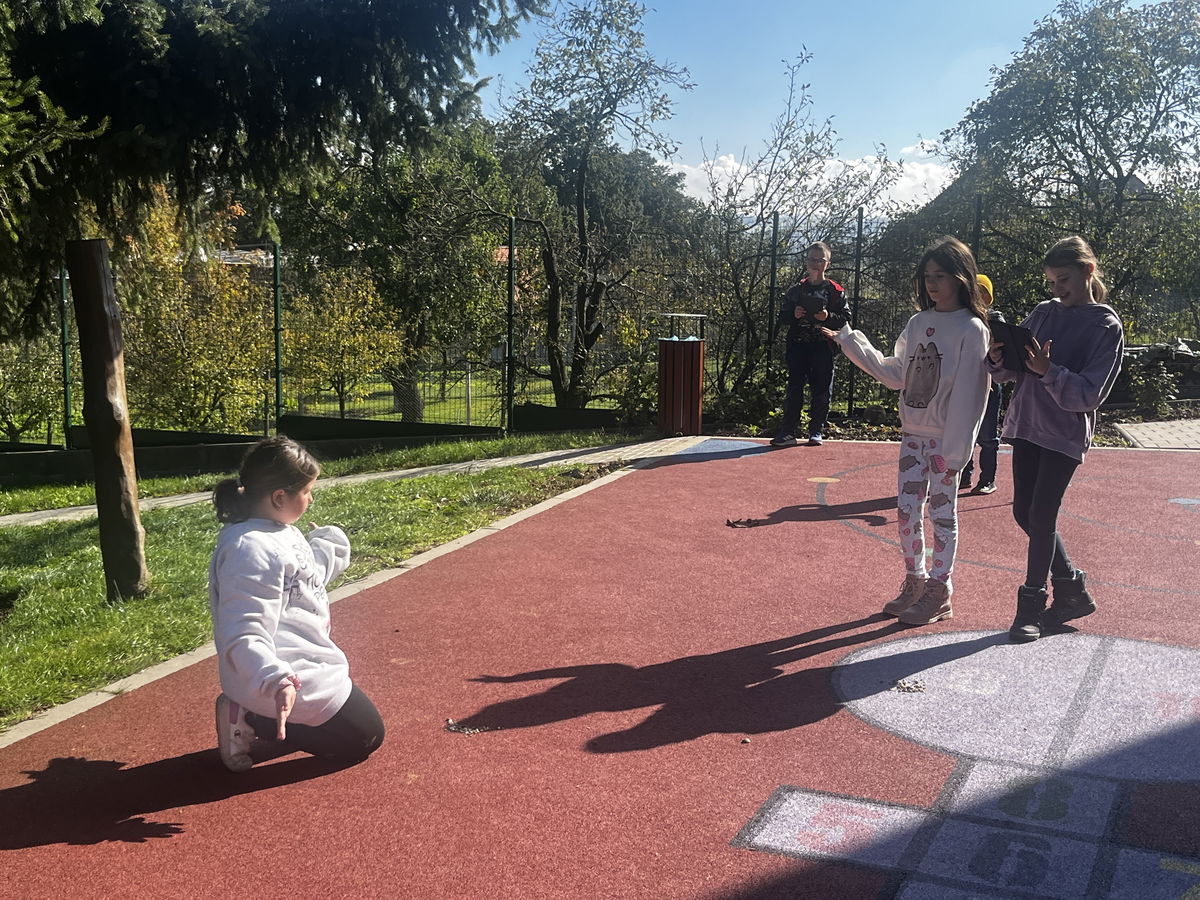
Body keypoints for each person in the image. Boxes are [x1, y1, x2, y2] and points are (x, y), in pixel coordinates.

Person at [820, 236, 991, 625]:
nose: (932, 284)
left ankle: (940, 590)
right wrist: (849, 339)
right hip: (913, 436)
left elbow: (971, 393)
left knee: (942, 515)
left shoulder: (971, 328)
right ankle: (915, 580)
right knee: (906, 512)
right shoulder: (918, 323)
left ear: (960, 277)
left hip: (945, 442)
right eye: (927, 276)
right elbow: (897, 373)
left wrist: (956, 452)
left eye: (940, 276)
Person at [208, 435, 385, 772]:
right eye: (306, 491)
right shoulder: (249, 549)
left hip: (309, 660)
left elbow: (302, 580)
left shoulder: (280, 530)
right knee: (364, 739)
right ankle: (250, 713)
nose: (311, 499)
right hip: (276, 674)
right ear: (279, 497)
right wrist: (275, 679)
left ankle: (264, 713)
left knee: (366, 730)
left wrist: (329, 545)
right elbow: (243, 630)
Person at [987, 236, 1124, 643]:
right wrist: (998, 358)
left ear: (1088, 271)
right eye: (1051, 281)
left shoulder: (1106, 325)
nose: (1057, 288)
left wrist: (1049, 371)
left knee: (1042, 515)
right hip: (1027, 424)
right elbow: (1013, 369)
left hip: (1063, 434)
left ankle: (1032, 605)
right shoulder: (1044, 311)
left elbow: (1089, 394)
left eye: (1063, 279)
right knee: (1024, 512)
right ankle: (1071, 588)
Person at [771, 242, 850, 447]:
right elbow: (782, 317)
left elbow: (845, 318)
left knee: (821, 389)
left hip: (824, 347)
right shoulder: (796, 290)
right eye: (811, 259)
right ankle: (788, 432)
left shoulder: (835, 291)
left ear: (827, 264)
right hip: (798, 346)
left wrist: (827, 316)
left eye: (820, 260)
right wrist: (794, 314)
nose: (815, 263)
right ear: (806, 262)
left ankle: (816, 431)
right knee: (794, 389)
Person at [959, 274, 1005, 495]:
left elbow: (1003, 349)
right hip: (966, 383)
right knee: (965, 431)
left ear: (987, 297)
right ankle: (964, 474)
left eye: (980, 292)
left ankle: (987, 479)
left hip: (989, 384)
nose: (975, 296)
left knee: (987, 435)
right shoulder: (962, 319)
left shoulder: (994, 320)